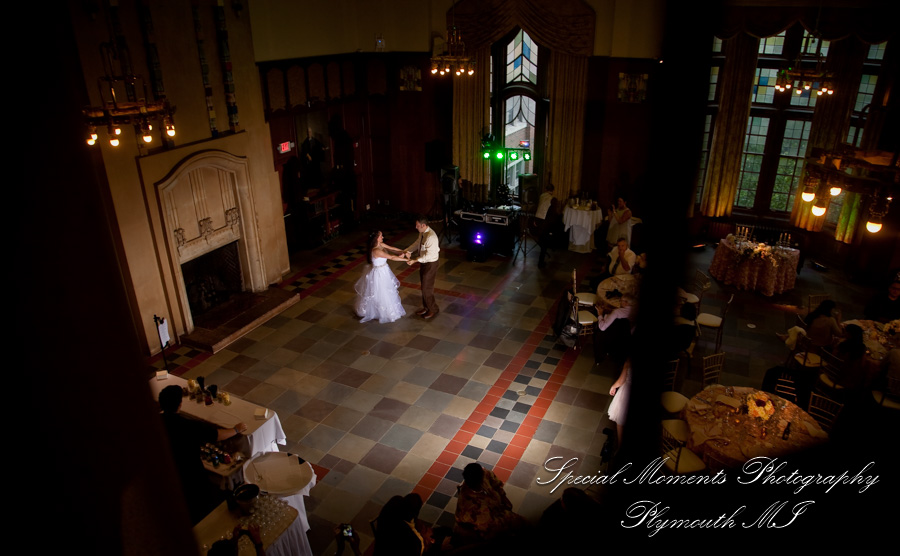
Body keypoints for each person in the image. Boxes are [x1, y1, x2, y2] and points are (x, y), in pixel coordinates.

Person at [158, 385, 248, 524]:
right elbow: (217, 435)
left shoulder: (156, 422)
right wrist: (236, 429)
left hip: (168, 473)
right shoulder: (186, 425)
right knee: (200, 506)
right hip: (191, 472)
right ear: (180, 404)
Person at [453, 463, 524, 544]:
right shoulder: (472, 508)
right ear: (479, 481)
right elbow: (492, 526)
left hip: (495, 513)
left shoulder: (484, 475)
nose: (484, 469)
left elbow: (496, 483)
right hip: (482, 528)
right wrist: (508, 516)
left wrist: (503, 497)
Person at [354, 231, 408, 323]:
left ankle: (387, 310)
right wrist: (406, 259)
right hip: (379, 273)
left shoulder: (380, 244)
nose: (382, 237)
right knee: (381, 292)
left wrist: (403, 252)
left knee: (387, 290)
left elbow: (392, 249)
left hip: (384, 270)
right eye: (380, 236)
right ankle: (382, 312)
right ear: (376, 238)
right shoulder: (376, 251)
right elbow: (391, 257)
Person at [406, 215, 440, 319]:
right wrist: (408, 251)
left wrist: (415, 260)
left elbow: (429, 255)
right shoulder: (422, 233)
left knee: (427, 288)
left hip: (430, 263)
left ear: (423, 225)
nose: (416, 227)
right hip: (424, 262)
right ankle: (427, 307)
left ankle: (433, 309)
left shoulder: (431, 237)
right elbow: (417, 244)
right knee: (424, 286)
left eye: (417, 225)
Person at [593, 295, 635, 364]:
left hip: (612, 335)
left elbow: (603, 327)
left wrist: (600, 315)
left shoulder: (617, 312)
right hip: (627, 338)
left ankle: (599, 357)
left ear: (626, 303)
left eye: (621, 301)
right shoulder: (635, 311)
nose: (620, 302)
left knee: (598, 329)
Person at [534, 184, 561, 269]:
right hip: (545, 222)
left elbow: (538, 207)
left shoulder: (542, 196)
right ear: (553, 191)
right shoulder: (553, 199)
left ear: (545, 189)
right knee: (545, 241)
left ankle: (545, 252)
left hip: (538, 220)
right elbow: (553, 213)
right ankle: (541, 263)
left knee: (542, 240)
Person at [607, 359, 632, 447]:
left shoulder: (629, 361)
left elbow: (621, 380)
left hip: (627, 392)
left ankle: (621, 445)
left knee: (620, 422)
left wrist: (613, 386)